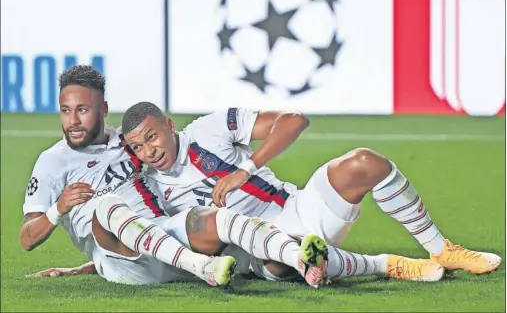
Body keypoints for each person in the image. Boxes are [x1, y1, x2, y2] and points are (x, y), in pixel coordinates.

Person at [20, 65, 330, 288]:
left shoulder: (131, 143)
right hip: (123, 258)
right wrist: (57, 208)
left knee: (218, 218)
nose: (72, 121)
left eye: (82, 110)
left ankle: (332, 261)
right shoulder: (52, 163)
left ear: (103, 110)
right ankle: (203, 267)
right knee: (107, 206)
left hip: (168, 239)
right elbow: (27, 238)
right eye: (65, 110)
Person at [120, 101, 501, 282]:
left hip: (298, 207)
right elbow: (154, 240)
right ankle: (386, 264)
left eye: (152, 137)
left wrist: (244, 170)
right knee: (289, 259)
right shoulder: (149, 187)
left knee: (365, 164)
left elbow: (293, 121)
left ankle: (442, 250)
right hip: (259, 252)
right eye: (138, 147)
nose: (149, 151)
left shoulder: (208, 130)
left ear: (169, 125)